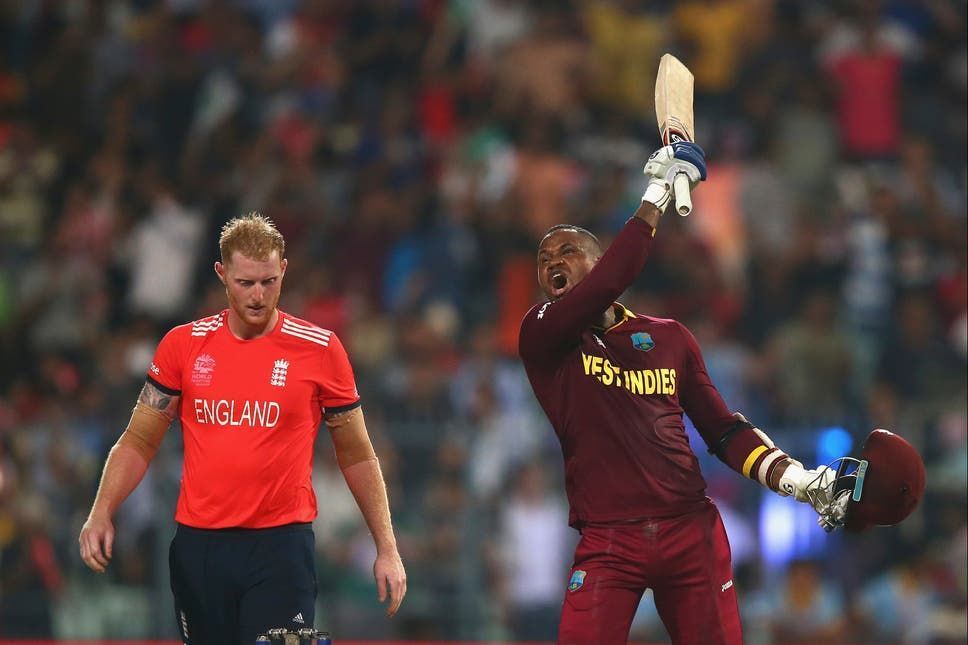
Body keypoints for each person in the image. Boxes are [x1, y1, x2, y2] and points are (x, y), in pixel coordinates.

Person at [518, 142, 836, 644]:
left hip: (690, 529)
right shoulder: (542, 332)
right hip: (608, 538)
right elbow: (610, 281)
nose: (552, 262)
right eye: (544, 258)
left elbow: (724, 430)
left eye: (568, 251)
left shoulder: (669, 337)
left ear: (600, 263)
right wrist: (657, 192)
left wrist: (796, 479)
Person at [79, 214, 406, 644]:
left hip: (281, 549)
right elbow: (139, 439)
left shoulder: (320, 350)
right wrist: (101, 511)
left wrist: (386, 546)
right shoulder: (184, 345)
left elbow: (357, 453)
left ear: (284, 270)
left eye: (269, 282)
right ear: (221, 274)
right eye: (245, 282)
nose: (257, 296)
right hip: (200, 549)